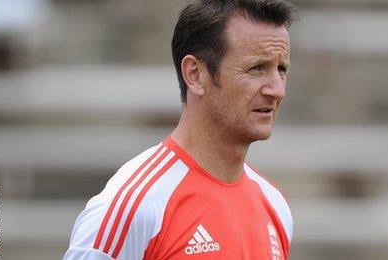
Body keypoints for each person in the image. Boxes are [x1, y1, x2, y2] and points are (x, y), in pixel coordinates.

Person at [64, 0, 296, 259]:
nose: (277, 89)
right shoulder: (136, 206)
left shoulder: (274, 204)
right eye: (256, 68)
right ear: (195, 74)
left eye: (281, 69)